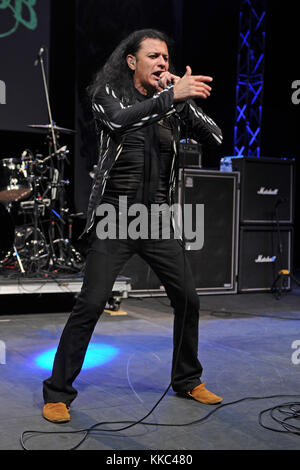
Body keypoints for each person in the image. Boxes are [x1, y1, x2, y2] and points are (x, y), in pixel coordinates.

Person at [42, 29, 223, 423]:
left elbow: (216, 138)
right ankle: (57, 391)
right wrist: (168, 98)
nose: (163, 62)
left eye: (166, 58)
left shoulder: (171, 104)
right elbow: (121, 123)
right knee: (90, 304)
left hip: (157, 218)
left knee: (188, 299)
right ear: (132, 62)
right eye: (154, 56)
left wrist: (184, 100)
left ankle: (187, 379)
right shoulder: (107, 94)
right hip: (115, 217)